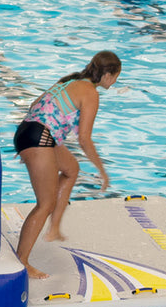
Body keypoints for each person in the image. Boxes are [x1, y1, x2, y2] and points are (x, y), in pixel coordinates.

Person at [12, 50, 121, 280]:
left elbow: (35, 104)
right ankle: (22, 263)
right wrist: (102, 171)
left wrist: (29, 144)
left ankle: (54, 228)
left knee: (71, 169)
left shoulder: (70, 81)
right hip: (39, 138)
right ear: (109, 75)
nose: (115, 82)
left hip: (31, 131)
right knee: (45, 203)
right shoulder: (90, 92)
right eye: (116, 77)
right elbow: (84, 139)